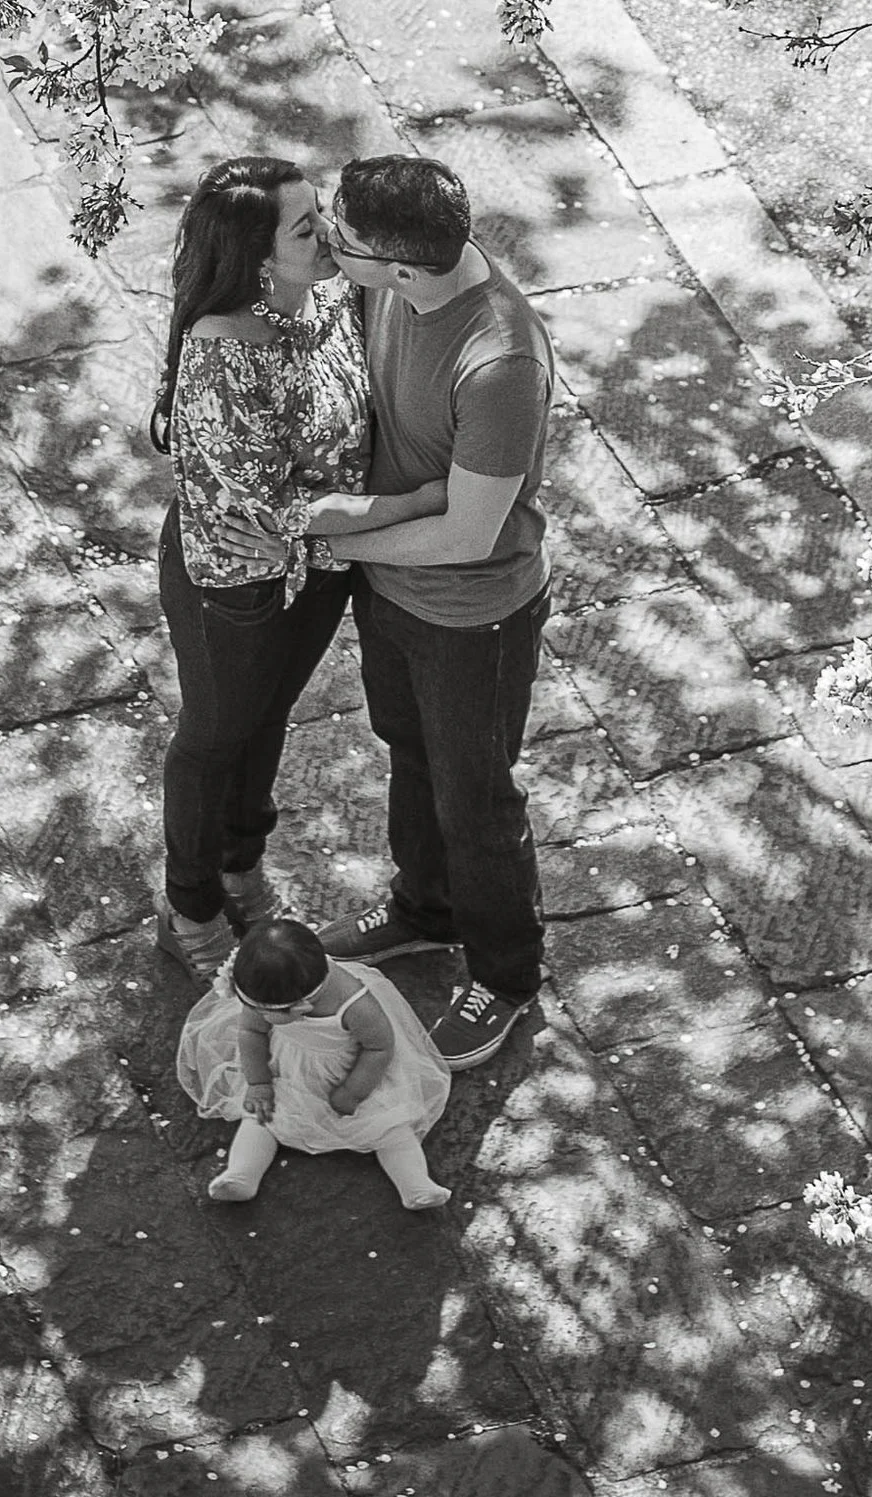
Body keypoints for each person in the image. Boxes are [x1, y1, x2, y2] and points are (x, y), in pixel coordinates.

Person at [220, 154, 553, 1071]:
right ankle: (423, 907)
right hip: (394, 591)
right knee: (409, 751)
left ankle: (507, 975)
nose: (328, 235)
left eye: (343, 236)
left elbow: (471, 533)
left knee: (477, 798)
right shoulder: (390, 285)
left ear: (398, 266)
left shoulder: (501, 364)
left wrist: (323, 545)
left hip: (470, 613)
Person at [148, 156, 447, 978]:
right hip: (236, 586)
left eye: (322, 214)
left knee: (268, 715)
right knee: (213, 735)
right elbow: (270, 515)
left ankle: (241, 864)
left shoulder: (326, 296)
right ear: (256, 259)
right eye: (308, 227)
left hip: (317, 570)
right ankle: (189, 902)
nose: (330, 235)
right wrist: (421, 502)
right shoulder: (222, 358)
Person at [175, 917, 452, 1208]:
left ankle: (415, 1184)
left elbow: (379, 1047)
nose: (259, 1014)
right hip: (288, 1069)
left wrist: (353, 1091)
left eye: (269, 1012)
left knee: (391, 1127)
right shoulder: (264, 996)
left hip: (355, 1071)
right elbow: (251, 1032)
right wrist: (258, 1082)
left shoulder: (355, 1004)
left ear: (304, 1002)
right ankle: (241, 1175)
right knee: (260, 1116)